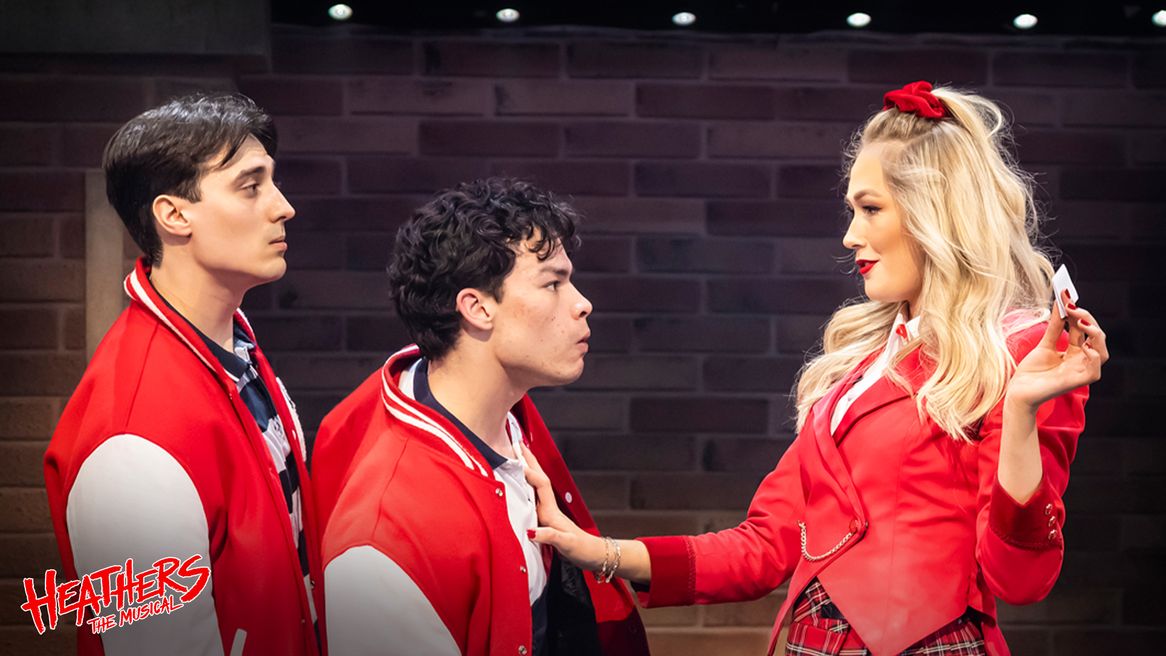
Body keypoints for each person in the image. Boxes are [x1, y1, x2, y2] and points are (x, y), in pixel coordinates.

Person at [525, 81, 1108, 656]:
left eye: (871, 209)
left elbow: (1021, 579)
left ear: (938, 213)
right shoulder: (858, 368)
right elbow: (765, 546)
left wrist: (1024, 409)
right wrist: (598, 551)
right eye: (852, 209)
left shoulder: (1021, 349)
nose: (851, 235)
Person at [312, 178, 648, 656]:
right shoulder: (387, 536)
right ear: (476, 308)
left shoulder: (505, 413)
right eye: (553, 283)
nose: (581, 303)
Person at [44, 94, 324, 655]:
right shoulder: (132, 439)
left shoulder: (231, 346)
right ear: (174, 215)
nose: (283, 206)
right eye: (251, 186)